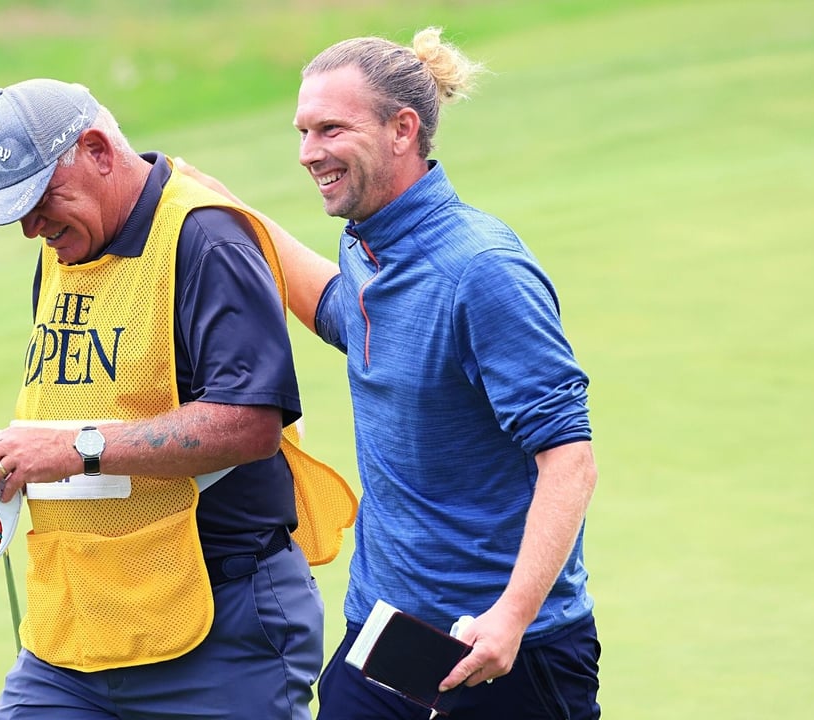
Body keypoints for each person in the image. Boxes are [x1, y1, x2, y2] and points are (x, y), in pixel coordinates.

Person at [178, 26, 601, 719]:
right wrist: (231, 212)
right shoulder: (368, 245)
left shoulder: (482, 270)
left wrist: (512, 616)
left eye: (330, 130)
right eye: (303, 131)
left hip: (504, 651)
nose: (308, 152)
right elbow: (342, 311)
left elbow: (569, 459)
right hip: (384, 632)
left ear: (402, 129)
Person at [0, 78, 354, 720]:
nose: (32, 227)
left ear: (97, 150)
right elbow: (81, 401)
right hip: (77, 628)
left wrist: (74, 450)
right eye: (17, 209)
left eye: (40, 198)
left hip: (221, 632)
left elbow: (249, 423)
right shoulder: (67, 245)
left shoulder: (207, 240)